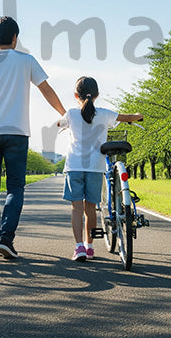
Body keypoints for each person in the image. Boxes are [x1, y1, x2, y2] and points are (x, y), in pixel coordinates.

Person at [0, 16, 65, 259]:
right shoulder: (26, 60)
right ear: (15, 37)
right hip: (17, 133)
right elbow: (46, 90)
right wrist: (64, 113)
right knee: (15, 188)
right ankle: (6, 239)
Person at [56, 76, 142, 261]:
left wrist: (62, 123)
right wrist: (136, 116)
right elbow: (126, 118)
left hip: (75, 167)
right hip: (96, 167)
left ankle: (78, 247)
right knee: (91, 208)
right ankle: (90, 246)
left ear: (75, 95)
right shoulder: (104, 113)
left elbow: (59, 123)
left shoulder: (71, 113)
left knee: (76, 209)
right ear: (97, 95)